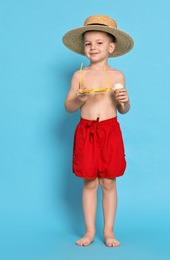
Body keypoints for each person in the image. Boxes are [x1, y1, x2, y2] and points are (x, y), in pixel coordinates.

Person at [62, 15, 134, 247]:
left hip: (110, 131)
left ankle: (109, 232)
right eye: (88, 43)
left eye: (99, 42)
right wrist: (79, 98)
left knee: (109, 182)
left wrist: (124, 100)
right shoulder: (79, 76)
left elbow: (124, 110)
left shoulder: (117, 76)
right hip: (86, 131)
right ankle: (90, 231)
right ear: (84, 48)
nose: (93, 47)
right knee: (89, 182)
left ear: (111, 47)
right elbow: (69, 107)